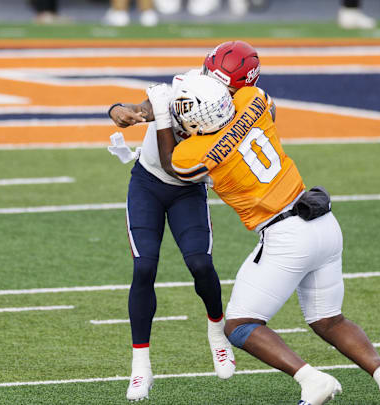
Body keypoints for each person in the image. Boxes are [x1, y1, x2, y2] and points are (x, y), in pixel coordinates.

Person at [165, 75, 380, 405]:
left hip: (285, 233)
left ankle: (311, 379)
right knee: (329, 320)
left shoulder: (194, 151)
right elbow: (251, 103)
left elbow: (173, 165)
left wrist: (162, 117)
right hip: (322, 221)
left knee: (239, 324)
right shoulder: (252, 100)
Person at [105, 40, 263, 402]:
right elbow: (144, 109)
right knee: (144, 267)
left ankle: (217, 331)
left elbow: (179, 164)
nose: (213, 83)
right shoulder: (191, 83)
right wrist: (122, 110)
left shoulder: (241, 112)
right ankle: (140, 368)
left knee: (200, 263)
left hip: (187, 187)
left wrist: (160, 116)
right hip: (147, 181)